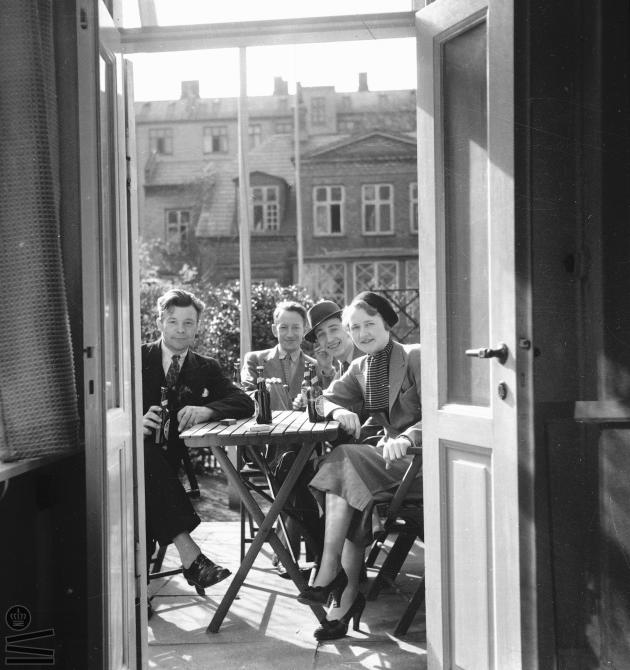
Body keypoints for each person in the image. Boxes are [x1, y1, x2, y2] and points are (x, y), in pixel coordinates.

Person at [297, 291, 422, 641]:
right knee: (350, 491)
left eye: (369, 324)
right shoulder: (360, 367)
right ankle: (345, 592)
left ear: (386, 324)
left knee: (343, 460)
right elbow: (323, 400)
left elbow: (443, 412)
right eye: (355, 328)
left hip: (417, 464)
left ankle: (332, 575)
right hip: (382, 466)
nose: (362, 333)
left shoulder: (414, 357)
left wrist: (409, 438)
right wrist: (339, 410)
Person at [142, 288, 254, 593]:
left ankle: (148, 573)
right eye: (173, 321)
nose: (180, 330)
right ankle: (192, 558)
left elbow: (245, 402)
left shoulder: (206, 367)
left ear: (197, 327)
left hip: (173, 463)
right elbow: (107, 406)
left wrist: (206, 410)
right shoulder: (136, 358)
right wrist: (132, 423)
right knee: (144, 456)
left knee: (149, 468)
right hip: (133, 458)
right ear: (160, 322)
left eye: (188, 323)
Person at [241, 300, 320, 565]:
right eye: (283, 327)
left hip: (305, 446)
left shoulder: (315, 365)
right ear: (275, 329)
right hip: (266, 446)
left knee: (295, 467)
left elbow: (322, 404)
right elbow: (246, 396)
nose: (289, 333)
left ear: (304, 329)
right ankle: (317, 550)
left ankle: (287, 552)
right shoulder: (255, 360)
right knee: (298, 470)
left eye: (295, 327)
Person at [303, 300, 363, 390]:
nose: (329, 339)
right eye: (321, 334)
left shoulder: (365, 362)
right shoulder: (342, 369)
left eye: (334, 329)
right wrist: (327, 368)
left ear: (347, 327)